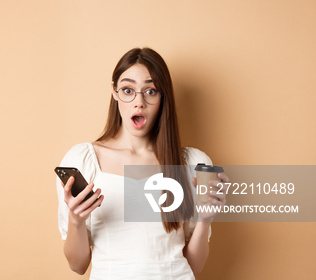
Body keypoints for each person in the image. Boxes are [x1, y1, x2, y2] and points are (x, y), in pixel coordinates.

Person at [56, 47, 229, 279]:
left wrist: (205, 220)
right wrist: (76, 220)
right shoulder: (83, 160)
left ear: (162, 97)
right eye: (128, 90)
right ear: (114, 92)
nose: (139, 102)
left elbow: (194, 267)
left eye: (151, 91)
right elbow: (78, 266)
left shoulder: (192, 164)